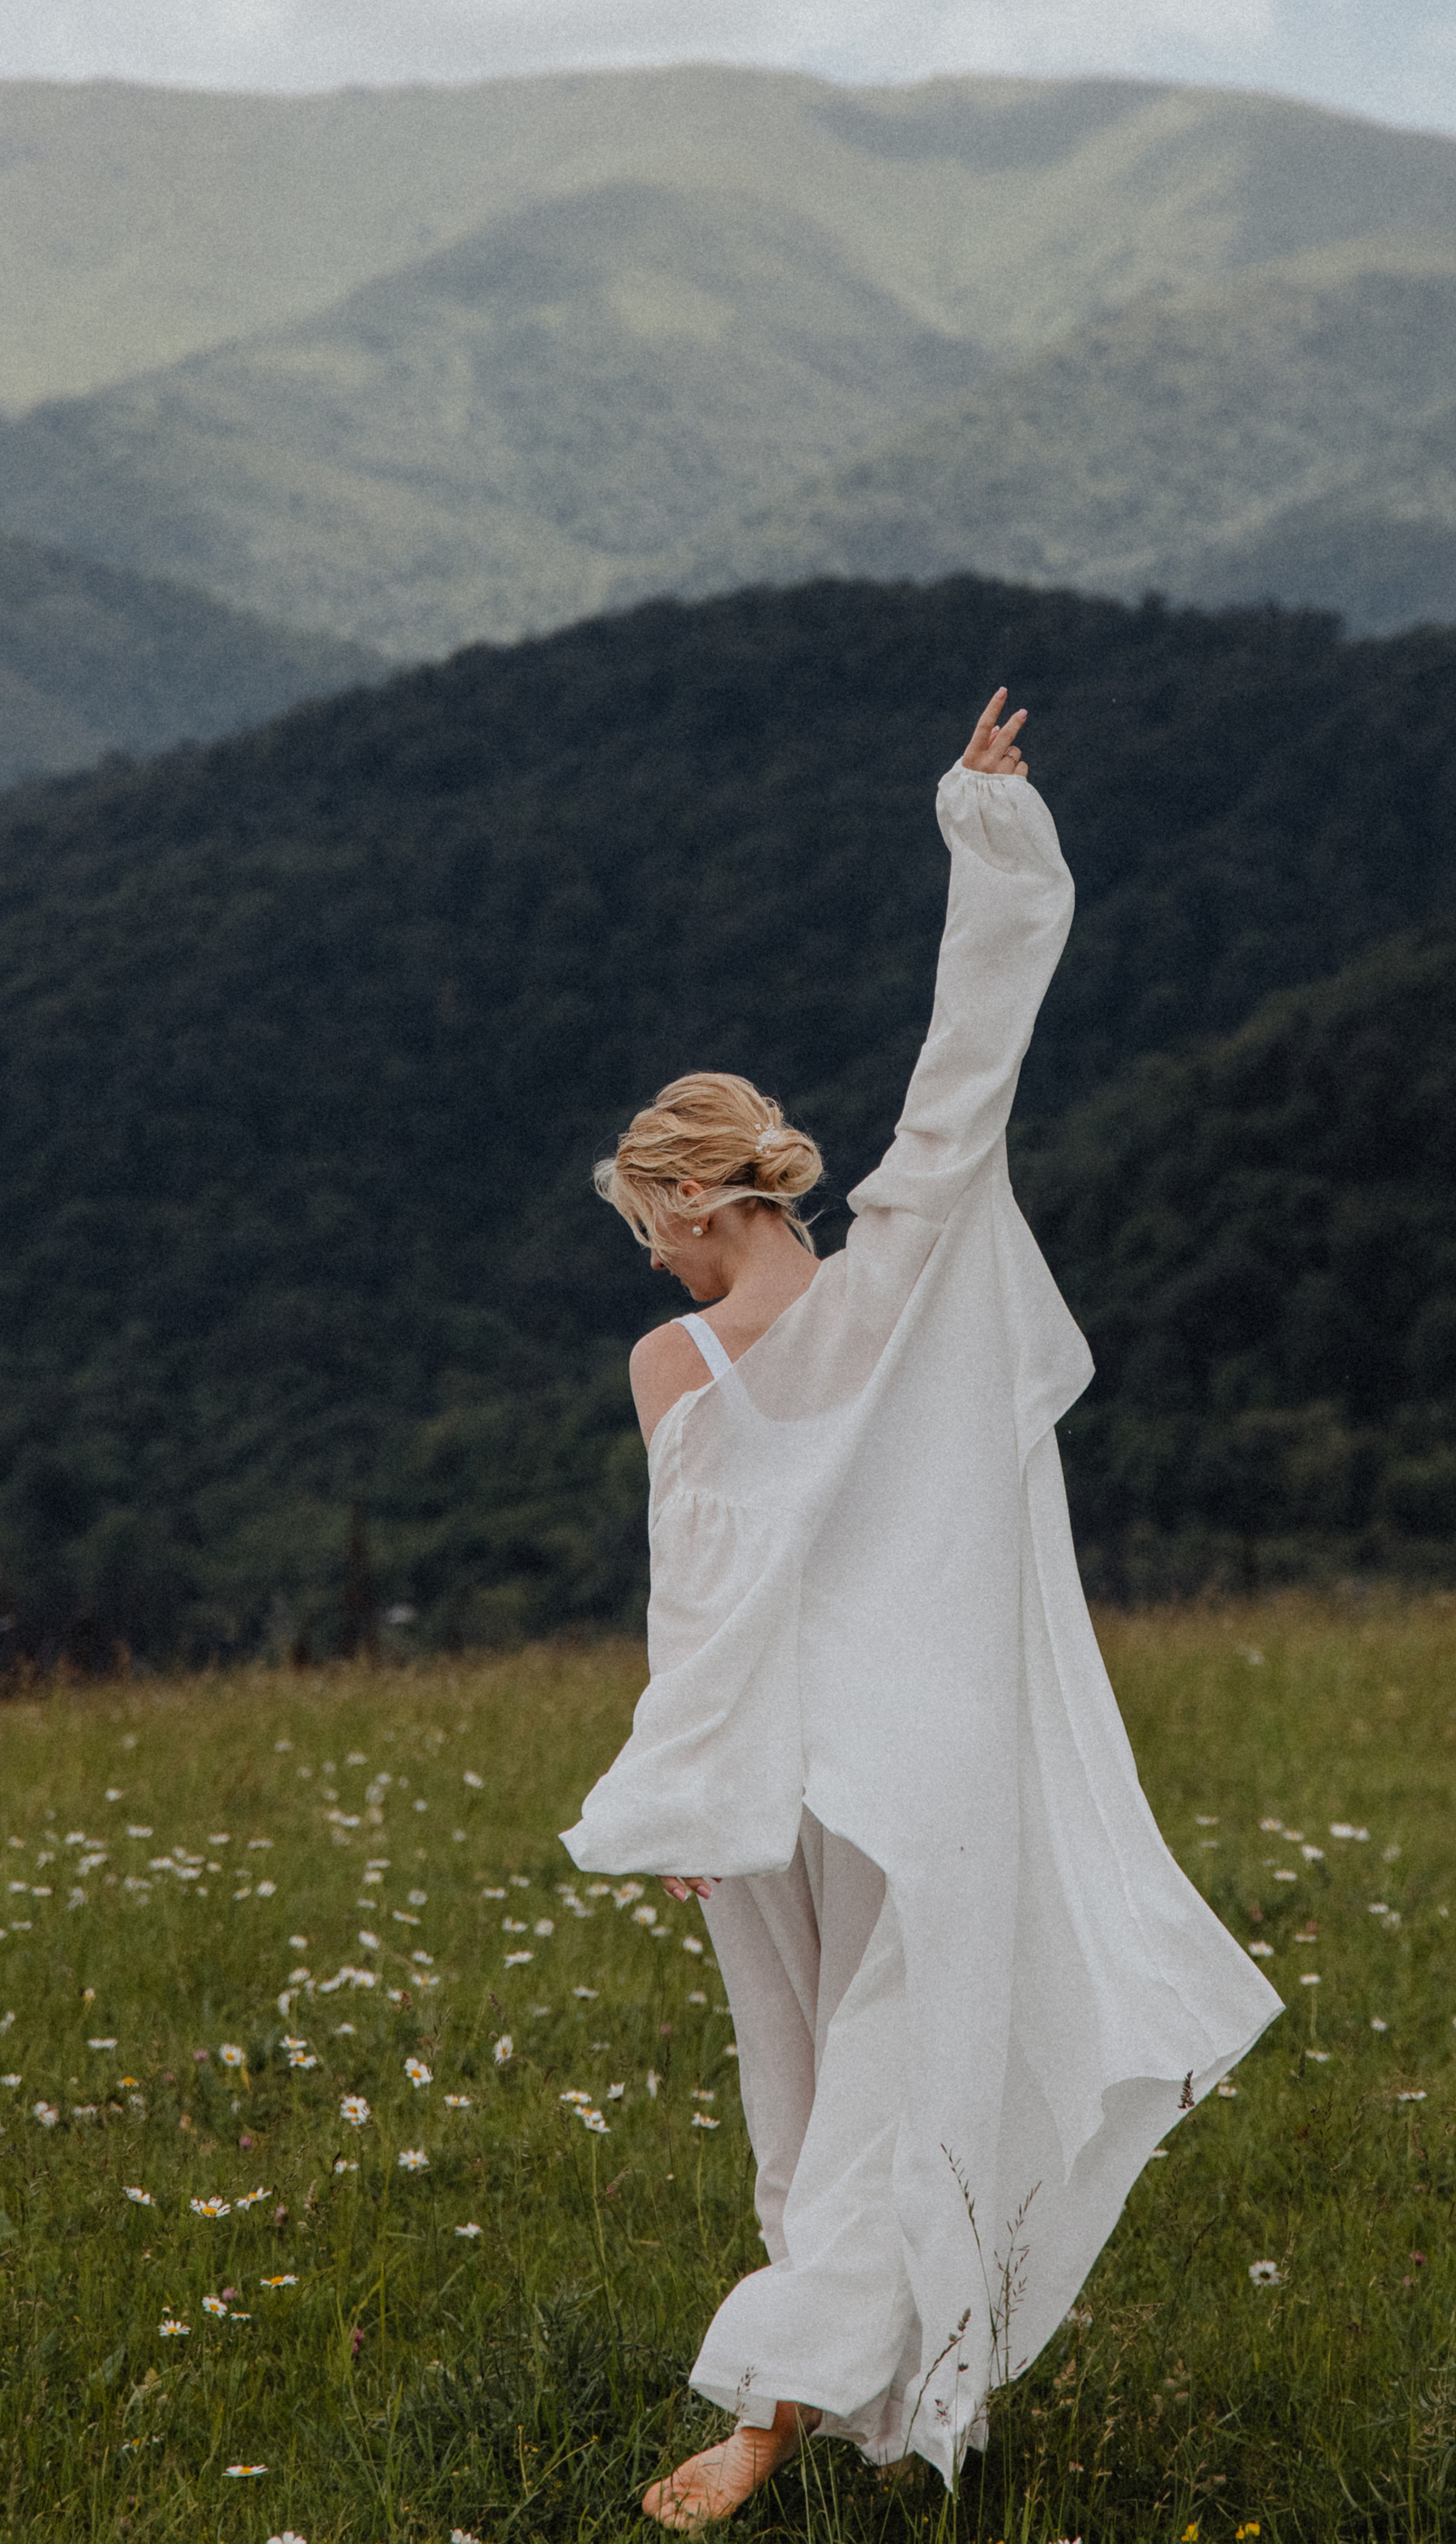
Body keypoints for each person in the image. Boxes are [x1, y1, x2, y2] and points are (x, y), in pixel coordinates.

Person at [568, 690, 1279, 2529]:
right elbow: (966, 1073)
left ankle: (774, 2413)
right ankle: (844, 2399)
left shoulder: (703, 1355)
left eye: (646, 1221)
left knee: (833, 2085)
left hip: (812, 1765)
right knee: (837, 2088)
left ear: (688, 1199)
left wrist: (688, 1788)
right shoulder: (880, 1282)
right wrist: (981, 834)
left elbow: (694, 1604)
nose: (644, 1252)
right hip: (854, 1766)